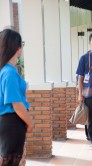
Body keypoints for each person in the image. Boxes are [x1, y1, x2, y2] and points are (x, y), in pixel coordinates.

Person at [0, 29, 33, 165]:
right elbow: (17, 105)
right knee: (12, 161)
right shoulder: (9, 73)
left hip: (9, 123)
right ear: (17, 48)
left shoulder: (5, 70)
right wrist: (30, 122)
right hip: (12, 123)